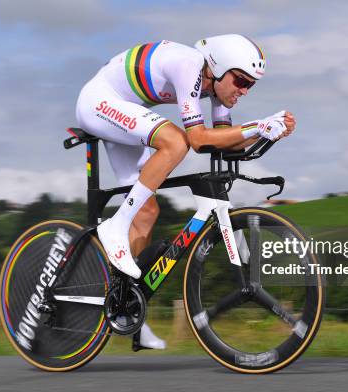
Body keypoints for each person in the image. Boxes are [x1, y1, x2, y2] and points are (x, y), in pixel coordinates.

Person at [75, 34, 295, 349]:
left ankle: (128, 311)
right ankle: (115, 226)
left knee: (148, 213)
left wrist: (269, 132)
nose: (243, 91)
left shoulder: (217, 87)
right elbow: (197, 140)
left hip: (123, 110)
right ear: (218, 68)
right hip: (99, 102)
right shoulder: (188, 65)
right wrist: (256, 126)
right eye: (241, 81)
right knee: (175, 141)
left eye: (251, 85)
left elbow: (224, 142)